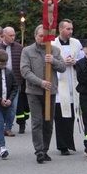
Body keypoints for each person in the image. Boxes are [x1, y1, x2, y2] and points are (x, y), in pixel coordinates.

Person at [21, 25, 66, 163]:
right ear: (35, 36)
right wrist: (40, 82)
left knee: (48, 122)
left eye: (45, 36)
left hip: (50, 92)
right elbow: (25, 71)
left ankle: (45, 149)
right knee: (37, 122)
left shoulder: (54, 50)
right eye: (40, 36)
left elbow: (63, 67)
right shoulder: (27, 51)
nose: (42, 39)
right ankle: (39, 150)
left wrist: (53, 61)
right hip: (34, 92)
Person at [52, 19, 84, 155]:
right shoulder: (53, 44)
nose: (71, 31)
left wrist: (75, 61)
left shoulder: (76, 43)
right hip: (60, 86)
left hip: (73, 83)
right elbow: (49, 64)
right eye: (68, 29)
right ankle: (62, 146)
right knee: (60, 117)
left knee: (70, 116)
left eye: (72, 29)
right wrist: (62, 63)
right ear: (61, 30)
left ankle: (70, 143)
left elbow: (83, 60)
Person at [0, 26, 26, 135]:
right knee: (0, 104)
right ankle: (1, 123)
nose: (13, 37)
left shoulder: (19, 48)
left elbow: (23, 64)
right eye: (10, 35)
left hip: (14, 83)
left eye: (14, 35)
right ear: (4, 36)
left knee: (13, 107)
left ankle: (8, 128)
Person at [0, 48, 17, 160]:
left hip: (6, 103)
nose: (3, 66)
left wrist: (10, 99)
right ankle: (2, 146)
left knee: (1, 125)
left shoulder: (9, 72)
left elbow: (15, 87)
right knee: (0, 124)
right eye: (1, 64)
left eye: (5, 64)